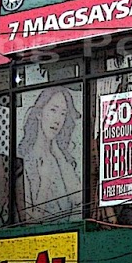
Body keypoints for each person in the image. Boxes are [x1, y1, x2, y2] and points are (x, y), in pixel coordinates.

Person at [17, 84, 81, 222]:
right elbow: (30, 221)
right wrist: (45, 181)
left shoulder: (60, 158)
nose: (57, 119)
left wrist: (58, 154)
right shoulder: (23, 159)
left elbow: (78, 198)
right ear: (39, 113)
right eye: (53, 110)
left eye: (63, 113)